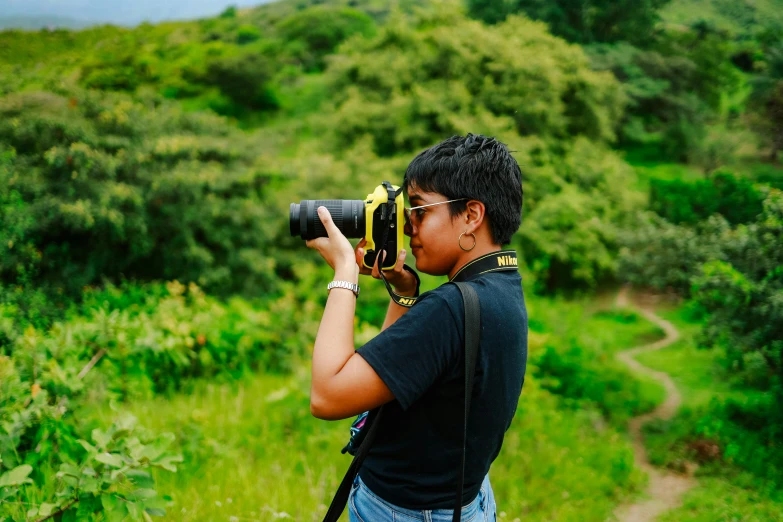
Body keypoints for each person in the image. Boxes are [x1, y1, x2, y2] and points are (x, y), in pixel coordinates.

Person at [305, 133, 528, 521]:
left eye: (421, 211)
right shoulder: (501, 288)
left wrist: (345, 272)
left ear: (472, 215)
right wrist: (404, 291)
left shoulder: (449, 308)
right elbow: (393, 375)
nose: (409, 227)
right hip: (463, 500)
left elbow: (328, 395)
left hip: (407, 512)